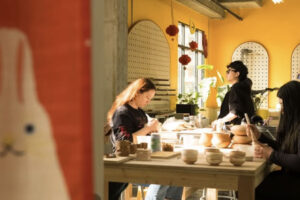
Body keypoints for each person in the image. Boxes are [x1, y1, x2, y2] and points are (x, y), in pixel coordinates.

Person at [106, 78, 182, 200]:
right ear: (137, 93)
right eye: (147, 97)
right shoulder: (122, 113)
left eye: (150, 98)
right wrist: (147, 128)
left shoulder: (140, 112)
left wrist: (155, 132)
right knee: (163, 177)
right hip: (127, 161)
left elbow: (146, 137)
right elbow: (125, 142)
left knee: (177, 174)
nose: (148, 101)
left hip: (143, 158)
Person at [247, 80, 300, 200]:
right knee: (252, 186)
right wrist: (260, 136)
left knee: (252, 190)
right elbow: (284, 148)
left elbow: (298, 161)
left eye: (282, 104)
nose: (281, 109)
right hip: (291, 176)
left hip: (296, 182)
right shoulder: (293, 122)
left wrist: (271, 154)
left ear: (293, 104)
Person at [213, 60, 255, 127]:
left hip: (237, 129)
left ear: (237, 74)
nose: (226, 73)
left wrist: (219, 121)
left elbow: (234, 113)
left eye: (229, 71)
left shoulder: (236, 88)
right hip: (245, 128)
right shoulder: (243, 88)